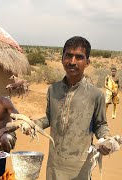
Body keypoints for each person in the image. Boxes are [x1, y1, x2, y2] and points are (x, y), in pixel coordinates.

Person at [32, 36, 111, 179]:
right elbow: (50, 118)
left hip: (80, 167)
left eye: (79, 57)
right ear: (62, 58)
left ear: (87, 62)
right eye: (68, 55)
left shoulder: (96, 94)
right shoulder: (53, 90)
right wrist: (33, 124)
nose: (72, 61)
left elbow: (100, 124)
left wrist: (105, 139)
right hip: (54, 165)